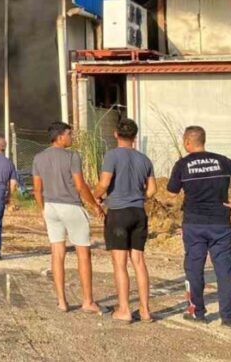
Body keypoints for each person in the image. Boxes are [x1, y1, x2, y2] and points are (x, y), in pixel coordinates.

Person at [166, 126, 231, 329]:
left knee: (194, 269)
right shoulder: (222, 161)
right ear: (203, 140)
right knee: (224, 271)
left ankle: (197, 312)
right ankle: (228, 318)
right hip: (220, 225)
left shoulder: (182, 164)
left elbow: (171, 193)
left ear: (187, 142)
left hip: (194, 225)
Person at [32, 120, 104, 314]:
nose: (71, 137)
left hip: (50, 207)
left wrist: (42, 209)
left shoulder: (38, 158)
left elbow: (37, 188)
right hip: (71, 207)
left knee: (57, 253)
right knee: (83, 254)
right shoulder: (72, 156)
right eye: (69, 134)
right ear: (60, 136)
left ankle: (62, 301)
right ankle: (87, 301)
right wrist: (95, 205)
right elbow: (80, 186)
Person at [92, 118, 156, 323]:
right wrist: (139, 197)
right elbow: (153, 190)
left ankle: (124, 310)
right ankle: (145, 311)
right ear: (135, 137)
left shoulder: (111, 156)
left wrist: (96, 196)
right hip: (138, 212)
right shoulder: (145, 159)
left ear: (115, 134)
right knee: (138, 261)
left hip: (118, 213)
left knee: (120, 264)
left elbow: (104, 183)